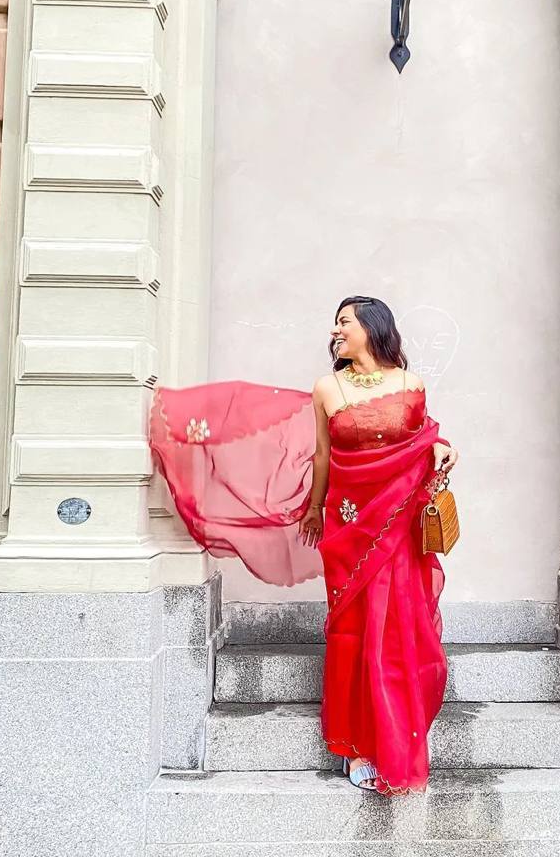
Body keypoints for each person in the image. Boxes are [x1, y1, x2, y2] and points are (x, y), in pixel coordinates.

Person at [149, 294, 459, 795]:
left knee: (400, 627)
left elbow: (422, 438)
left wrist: (442, 445)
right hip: (348, 524)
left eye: (346, 322)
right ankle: (357, 744)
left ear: (372, 328)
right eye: (336, 324)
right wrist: (314, 509)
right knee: (356, 628)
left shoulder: (411, 383)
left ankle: (398, 737)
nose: (337, 331)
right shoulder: (327, 387)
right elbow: (322, 455)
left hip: (397, 524)